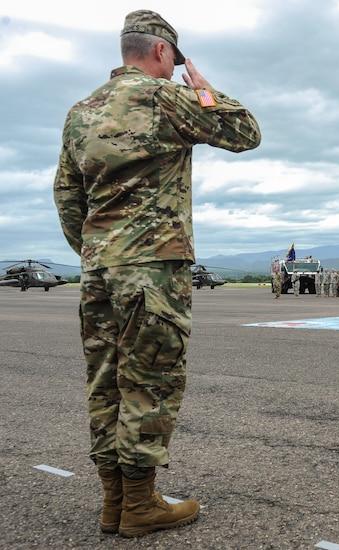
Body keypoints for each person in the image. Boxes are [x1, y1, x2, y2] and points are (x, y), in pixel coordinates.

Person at [53, 10, 261, 538]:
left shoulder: (80, 112)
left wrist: (97, 251)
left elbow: (66, 195)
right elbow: (245, 131)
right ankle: (141, 507)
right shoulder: (166, 97)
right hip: (153, 270)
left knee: (105, 383)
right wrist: (207, 89)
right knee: (150, 381)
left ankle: (113, 504)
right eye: (175, 62)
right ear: (163, 53)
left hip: (98, 271)